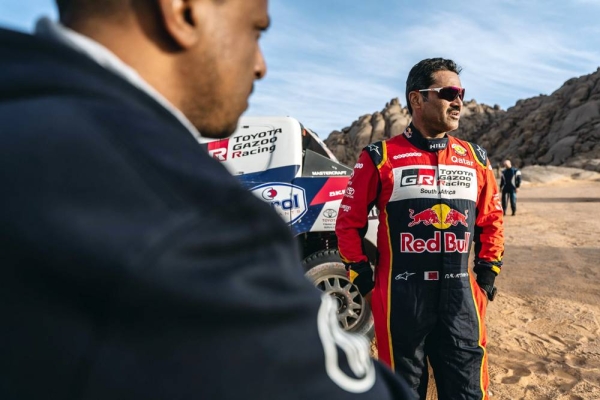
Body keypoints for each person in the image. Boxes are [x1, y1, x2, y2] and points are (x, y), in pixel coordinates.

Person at [0, 1, 414, 399]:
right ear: (183, 10)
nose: (260, 65)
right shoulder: (185, 214)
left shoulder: (24, 117)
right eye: (256, 30)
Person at [336, 58, 504, 400]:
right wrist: (364, 281)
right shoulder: (379, 156)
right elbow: (347, 223)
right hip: (401, 301)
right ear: (417, 99)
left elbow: (492, 221)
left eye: (462, 93)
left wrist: (486, 277)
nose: (459, 101)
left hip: (461, 302)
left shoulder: (475, 157)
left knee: (468, 392)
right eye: (448, 92)